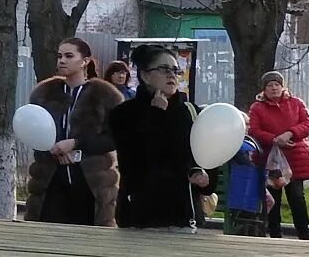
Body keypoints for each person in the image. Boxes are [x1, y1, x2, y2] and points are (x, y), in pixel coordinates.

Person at [105, 45, 210, 229]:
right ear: (145, 76)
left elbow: (195, 157)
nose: (172, 75)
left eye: (175, 70)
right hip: (139, 217)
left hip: (183, 215)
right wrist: (156, 115)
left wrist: (200, 172)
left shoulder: (189, 111)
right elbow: (138, 160)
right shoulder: (123, 114)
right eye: (164, 69)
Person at [23, 37, 120, 226]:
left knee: (88, 241)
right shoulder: (44, 93)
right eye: (59, 56)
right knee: (47, 236)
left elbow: (114, 138)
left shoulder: (104, 95)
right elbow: (33, 129)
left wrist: (76, 144)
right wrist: (54, 148)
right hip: (51, 180)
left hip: (91, 183)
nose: (62, 61)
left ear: (84, 61)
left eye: (69, 56)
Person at [245, 71, 309, 240]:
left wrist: (290, 134)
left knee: (297, 198)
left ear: (282, 86)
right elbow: (254, 129)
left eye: (277, 84)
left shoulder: (296, 103)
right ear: (264, 90)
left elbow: (307, 123)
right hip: (271, 160)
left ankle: (304, 234)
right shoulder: (257, 107)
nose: (274, 88)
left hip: (295, 159)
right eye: (270, 85)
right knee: (273, 199)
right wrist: (274, 140)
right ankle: (275, 235)